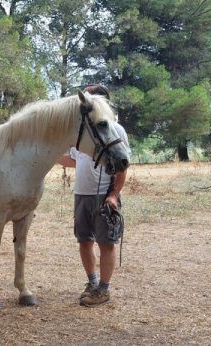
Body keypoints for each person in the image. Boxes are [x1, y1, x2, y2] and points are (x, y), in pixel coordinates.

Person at [57, 84, 131, 307]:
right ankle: (92, 282)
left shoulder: (116, 130)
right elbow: (73, 159)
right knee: (84, 241)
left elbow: (123, 165)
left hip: (103, 194)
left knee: (106, 243)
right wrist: (47, 153)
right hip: (82, 194)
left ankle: (104, 289)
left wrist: (113, 195)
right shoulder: (84, 130)